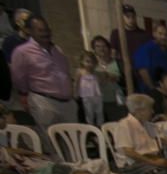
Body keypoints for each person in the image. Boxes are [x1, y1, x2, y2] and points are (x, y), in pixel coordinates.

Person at [10, 16, 77, 144]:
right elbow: (19, 78)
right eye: (40, 30)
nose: (45, 33)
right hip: (44, 103)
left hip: (67, 103)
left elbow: (65, 73)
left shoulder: (57, 49)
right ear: (29, 31)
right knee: (51, 143)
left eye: (47, 30)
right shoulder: (22, 52)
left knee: (72, 143)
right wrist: (25, 96)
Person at [109, 5, 151, 69]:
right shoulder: (116, 33)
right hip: (124, 70)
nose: (131, 19)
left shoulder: (144, 34)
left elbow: (151, 53)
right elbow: (113, 54)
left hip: (142, 70)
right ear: (122, 17)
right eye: (128, 16)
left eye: (133, 16)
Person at [91, 36, 124, 117]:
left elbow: (126, 81)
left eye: (104, 46)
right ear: (94, 49)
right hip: (100, 103)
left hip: (118, 101)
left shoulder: (119, 63)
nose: (101, 49)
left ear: (108, 48)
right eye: (98, 46)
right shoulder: (92, 66)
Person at [77, 51, 104, 126]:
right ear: (82, 61)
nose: (89, 64)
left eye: (92, 62)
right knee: (89, 113)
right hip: (86, 96)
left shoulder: (96, 72)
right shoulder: (80, 72)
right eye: (87, 61)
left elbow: (101, 83)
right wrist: (76, 93)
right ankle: (91, 128)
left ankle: (100, 127)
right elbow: (77, 83)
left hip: (97, 95)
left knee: (99, 112)